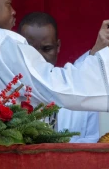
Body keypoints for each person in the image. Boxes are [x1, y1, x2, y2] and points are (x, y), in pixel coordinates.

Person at [18, 12, 99, 143]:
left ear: (58, 47)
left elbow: (91, 140)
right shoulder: (6, 88)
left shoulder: (81, 88)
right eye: (30, 50)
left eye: (47, 49)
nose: (39, 58)